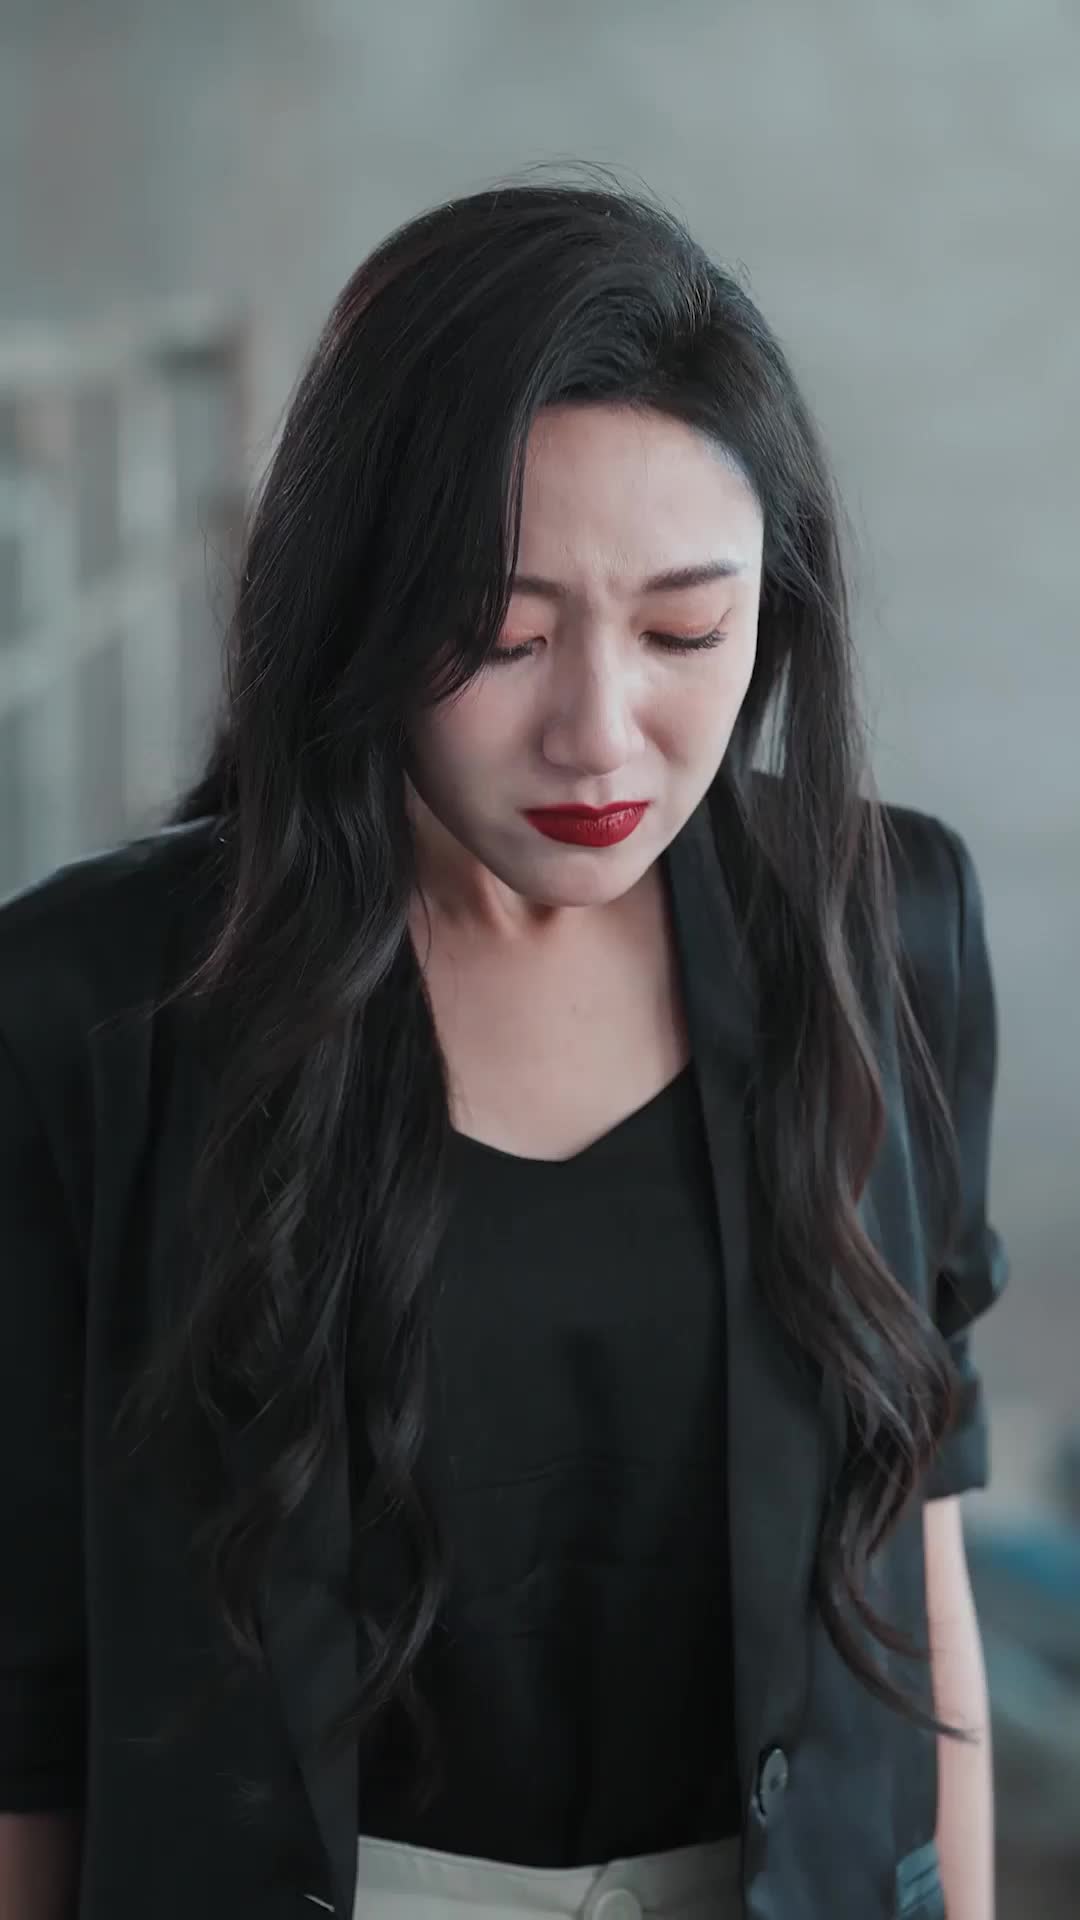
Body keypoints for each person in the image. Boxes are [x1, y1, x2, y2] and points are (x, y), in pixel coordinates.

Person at [0, 178, 1006, 1920]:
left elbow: (916, 1548)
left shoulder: (883, 928)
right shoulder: (92, 1005)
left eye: (685, 632)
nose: (599, 733)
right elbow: (24, 1673)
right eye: (502, 636)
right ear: (356, 608)